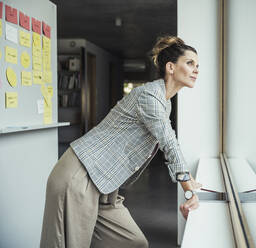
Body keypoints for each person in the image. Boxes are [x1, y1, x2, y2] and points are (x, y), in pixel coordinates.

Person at [40, 36, 201, 248]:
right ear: (171, 67)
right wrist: (187, 187)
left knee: (134, 242)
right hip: (80, 176)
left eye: (197, 65)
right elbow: (169, 143)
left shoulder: (164, 102)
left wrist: (188, 179)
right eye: (190, 63)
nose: (196, 70)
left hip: (106, 184)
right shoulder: (149, 96)